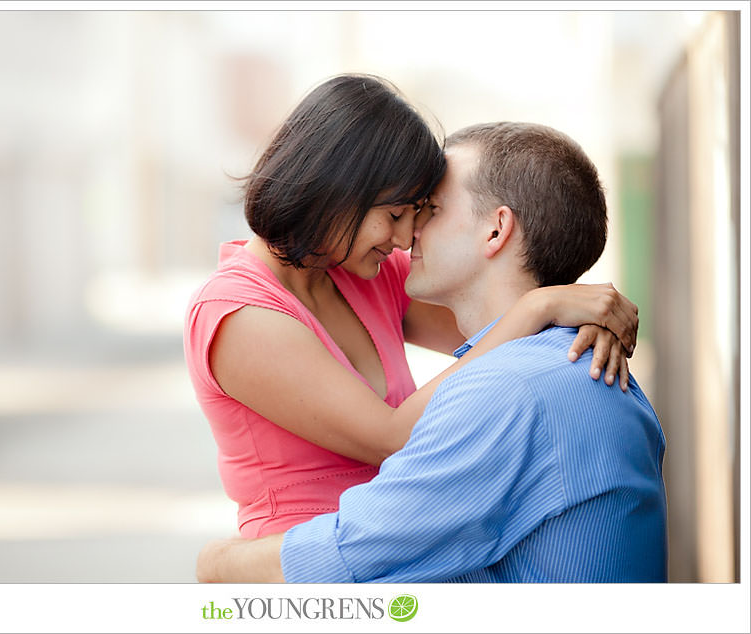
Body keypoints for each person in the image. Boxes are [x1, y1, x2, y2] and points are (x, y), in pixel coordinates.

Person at [196, 121, 667, 583]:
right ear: (342, 193)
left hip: (357, 553)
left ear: (496, 230)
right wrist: (543, 304)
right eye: (399, 213)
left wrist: (217, 563)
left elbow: (498, 325)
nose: (408, 236)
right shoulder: (245, 310)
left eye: (428, 209)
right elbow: (498, 325)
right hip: (303, 566)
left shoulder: (508, 390)